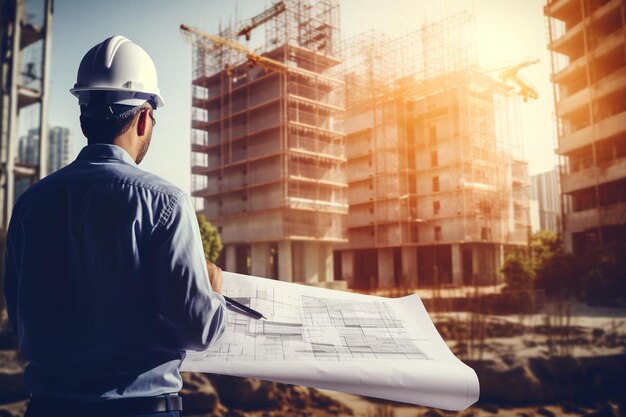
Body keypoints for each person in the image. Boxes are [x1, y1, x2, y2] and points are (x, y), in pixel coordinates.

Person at [3, 35, 226, 417]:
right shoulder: (166, 202)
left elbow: (21, 325)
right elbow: (199, 331)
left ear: (83, 116)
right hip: (142, 409)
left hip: (47, 408)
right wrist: (214, 290)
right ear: (144, 117)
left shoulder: (28, 206)